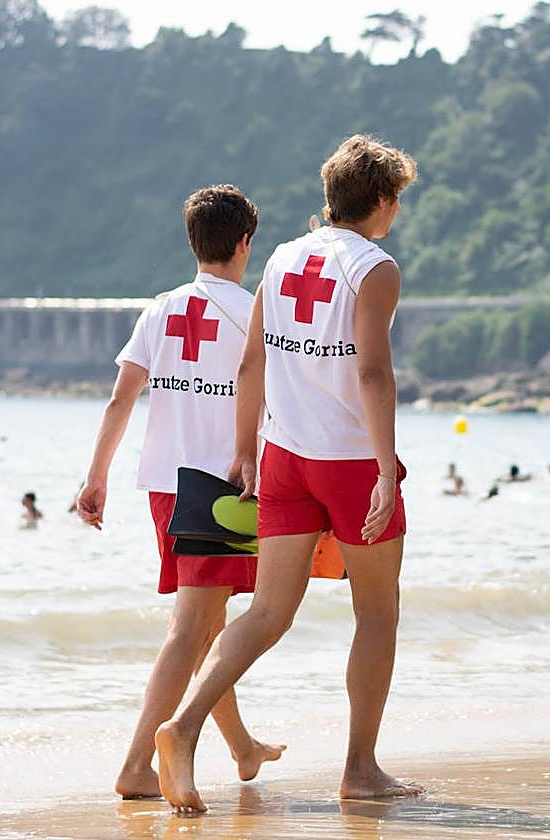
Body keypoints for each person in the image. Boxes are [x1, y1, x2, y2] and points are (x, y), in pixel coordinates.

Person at [155, 135, 423, 813]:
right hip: (351, 460)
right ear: (383, 199)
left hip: (283, 458)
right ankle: (360, 770)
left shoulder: (280, 258)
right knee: (377, 614)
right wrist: (386, 470)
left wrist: (246, 450)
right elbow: (371, 372)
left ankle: (182, 728)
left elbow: (253, 365)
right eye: (398, 198)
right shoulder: (376, 268)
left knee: (267, 611)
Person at [75, 184, 282, 800]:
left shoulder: (161, 308)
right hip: (219, 487)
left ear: (192, 241)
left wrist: (96, 475)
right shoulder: (252, 312)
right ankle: (138, 764)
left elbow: (122, 397)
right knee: (192, 627)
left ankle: (242, 747)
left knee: (207, 623)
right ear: (245, 243)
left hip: (164, 485)